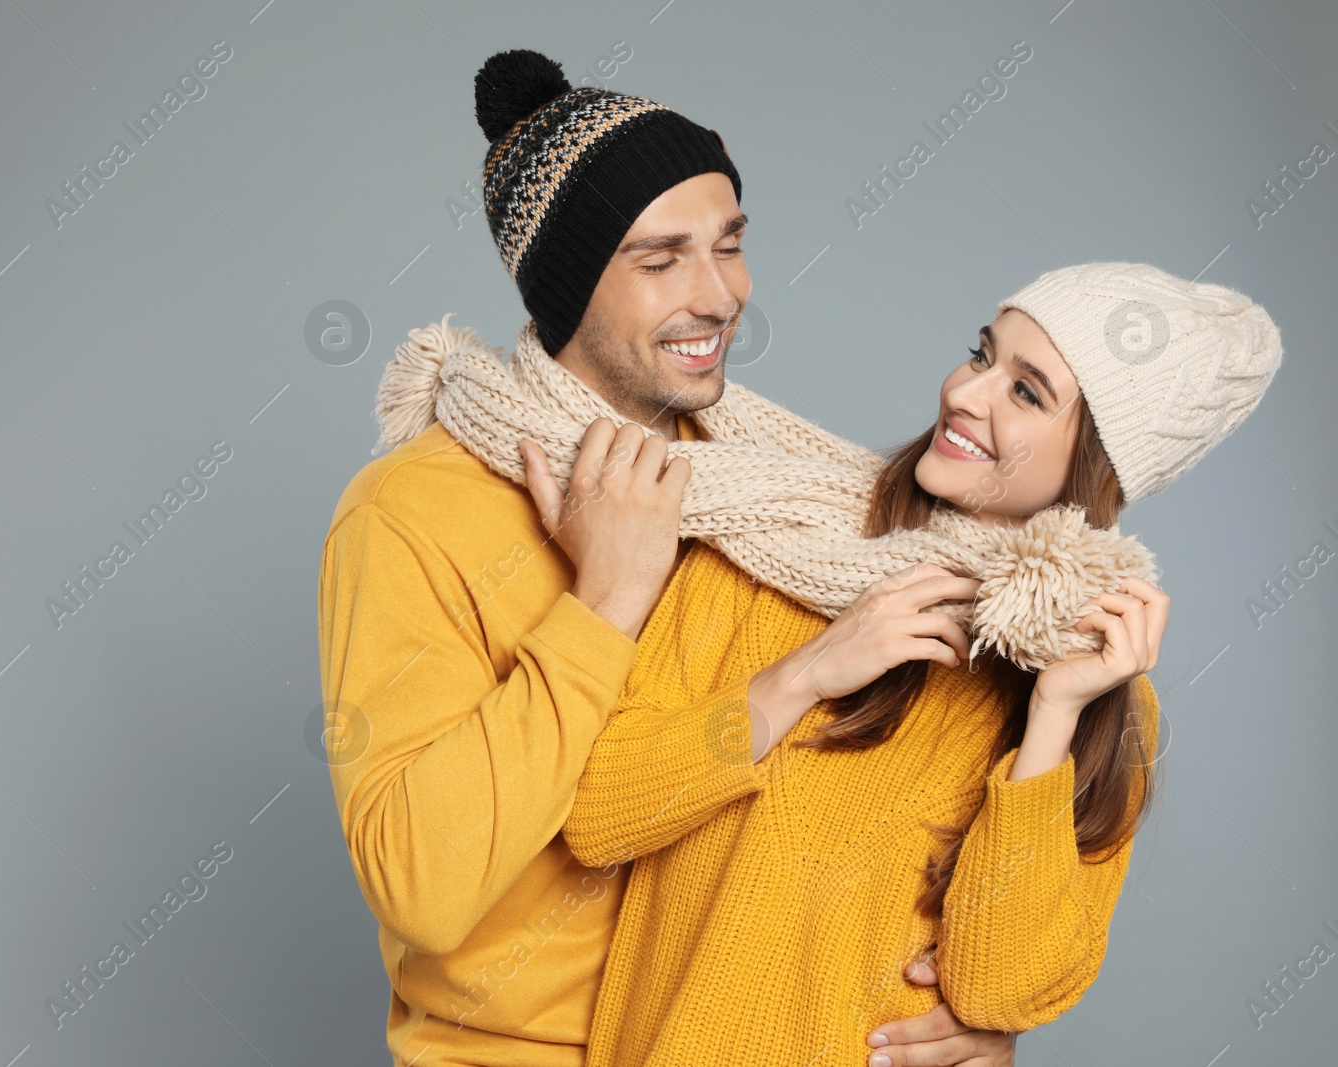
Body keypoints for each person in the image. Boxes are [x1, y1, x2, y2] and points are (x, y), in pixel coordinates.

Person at [319, 47, 1016, 1067]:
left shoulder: (774, 500)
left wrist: (966, 1002)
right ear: (566, 283)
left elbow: (880, 798)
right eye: (660, 260)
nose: (721, 292)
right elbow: (420, 883)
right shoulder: (412, 512)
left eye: (729, 243)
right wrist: (605, 597)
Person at [540, 262, 1282, 1066]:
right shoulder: (771, 546)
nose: (966, 394)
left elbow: (998, 990)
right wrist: (807, 672)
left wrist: (1053, 717)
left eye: (1026, 392)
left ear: (1095, 470)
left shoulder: (1102, 701)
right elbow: (601, 815)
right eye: (981, 354)